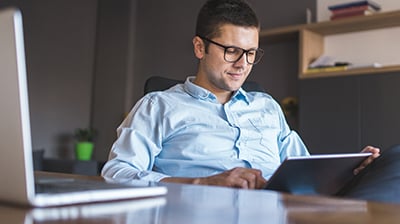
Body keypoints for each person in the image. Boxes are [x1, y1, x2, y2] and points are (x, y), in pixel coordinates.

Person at [101, 0, 380, 190]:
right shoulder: (158, 106)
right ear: (200, 47)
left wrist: (348, 169)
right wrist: (203, 184)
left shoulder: (267, 107)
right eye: (231, 50)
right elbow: (117, 173)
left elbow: (304, 169)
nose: (242, 64)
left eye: (250, 53)